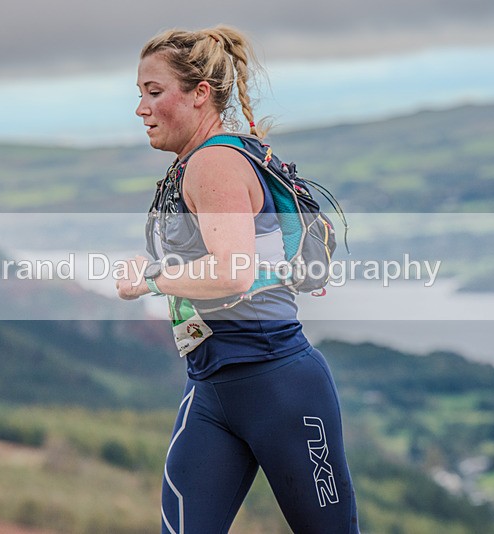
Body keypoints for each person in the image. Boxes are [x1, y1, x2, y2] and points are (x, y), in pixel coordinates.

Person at [116, 25, 359, 534]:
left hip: (278, 386)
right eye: (140, 93)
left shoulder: (215, 163)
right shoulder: (195, 165)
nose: (141, 108)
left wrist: (153, 278)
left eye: (154, 92)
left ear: (200, 93)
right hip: (211, 388)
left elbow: (233, 272)